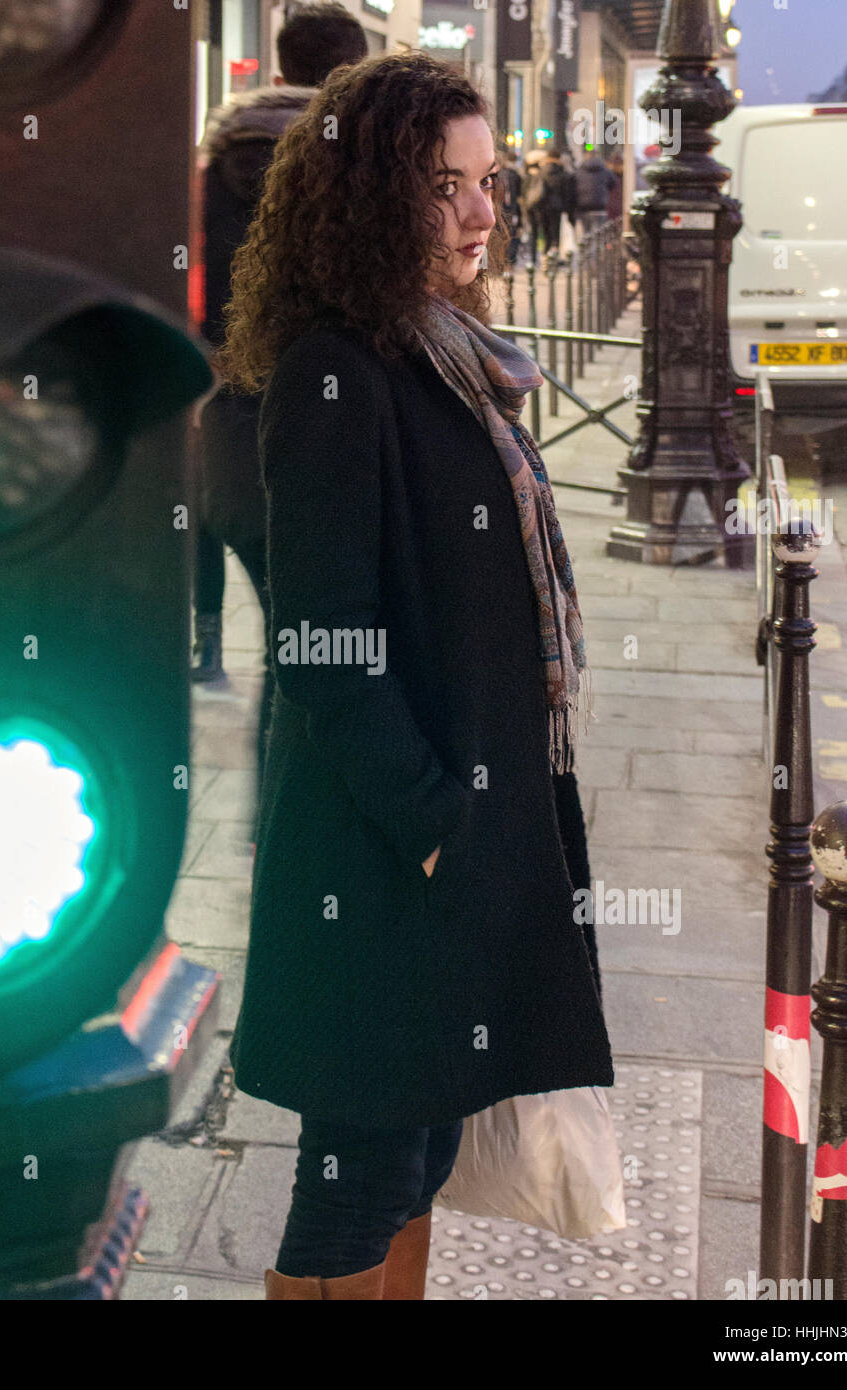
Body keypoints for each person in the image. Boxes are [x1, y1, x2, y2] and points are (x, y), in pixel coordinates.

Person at [217, 50, 613, 1300]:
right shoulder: (337, 374)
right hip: (383, 854)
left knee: (422, 1143)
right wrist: (437, 824)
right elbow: (322, 638)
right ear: (377, 198)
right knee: (361, 1175)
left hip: (462, 823)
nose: (487, 212)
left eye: (488, 181)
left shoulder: (441, 350)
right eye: (450, 187)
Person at [192, 3, 368, 815]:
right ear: (349, 72)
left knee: (291, 630)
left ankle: (280, 819)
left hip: (226, 433)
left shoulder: (215, 160)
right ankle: (287, 819)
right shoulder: (347, 160)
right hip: (316, 440)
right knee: (308, 641)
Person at [528, 147, 576, 263]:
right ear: (559, 159)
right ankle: (553, 256)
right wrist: (570, 213)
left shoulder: (540, 172)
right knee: (555, 234)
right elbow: (569, 195)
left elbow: (534, 190)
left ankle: (545, 256)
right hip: (557, 208)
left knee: (545, 233)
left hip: (541, 207)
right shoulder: (564, 173)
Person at [574, 147, 617, 235]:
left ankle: (588, 248)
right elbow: (613, 183)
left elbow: (573, 187)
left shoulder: (579, 171)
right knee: (599, 233)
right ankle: (597, 248)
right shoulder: (605, 171)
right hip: (600, 206)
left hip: (583, 207)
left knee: (586, 233)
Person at [497, 144, 523, 268]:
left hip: (506, 209)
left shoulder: (506, 175)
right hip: (506, 210)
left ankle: (506, 260)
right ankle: (507, 260)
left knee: (506, 234)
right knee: (508, 234)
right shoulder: (512, 175)